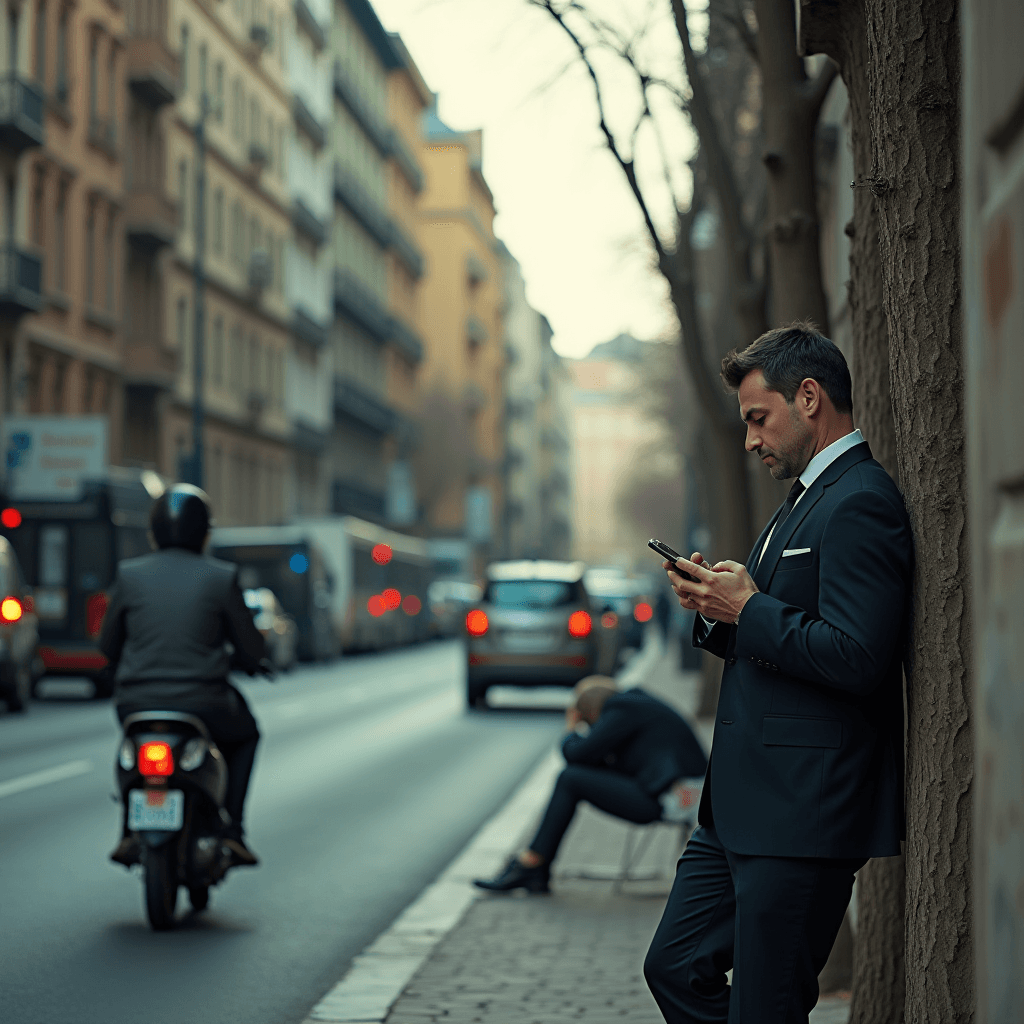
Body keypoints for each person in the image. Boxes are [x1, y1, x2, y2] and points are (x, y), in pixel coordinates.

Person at [643, 324, 912, 1024]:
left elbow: (857, 656)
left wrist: (750, 608)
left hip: (802, 815)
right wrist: (716, 607)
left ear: (811, 397)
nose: (751, 440)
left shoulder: (861, 500)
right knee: (673, 966)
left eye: (758, 419)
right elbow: (770, 629)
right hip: (737, 809)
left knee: (766, 1007)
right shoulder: (799, 501)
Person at [100, 484, 267, 868]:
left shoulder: (129, 575)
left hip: (135, 702)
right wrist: (254, 661)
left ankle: (128, 828)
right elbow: (249, 647)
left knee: (131, 748)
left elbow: (107, 645)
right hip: (204, 702)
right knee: (245, 735)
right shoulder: (221, 576)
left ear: (154, 531)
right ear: (204, 531)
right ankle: (233, 830)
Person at [474, 676, 708, 894]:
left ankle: (533, 864)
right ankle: (536, 867)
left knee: (570, 778)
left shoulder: (621, 709)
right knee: (574, 777)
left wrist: (571, 728)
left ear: (593, 713)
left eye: (590, 723)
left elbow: (577, 754)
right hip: (675, 795)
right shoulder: (635, 705)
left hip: (674, 801)